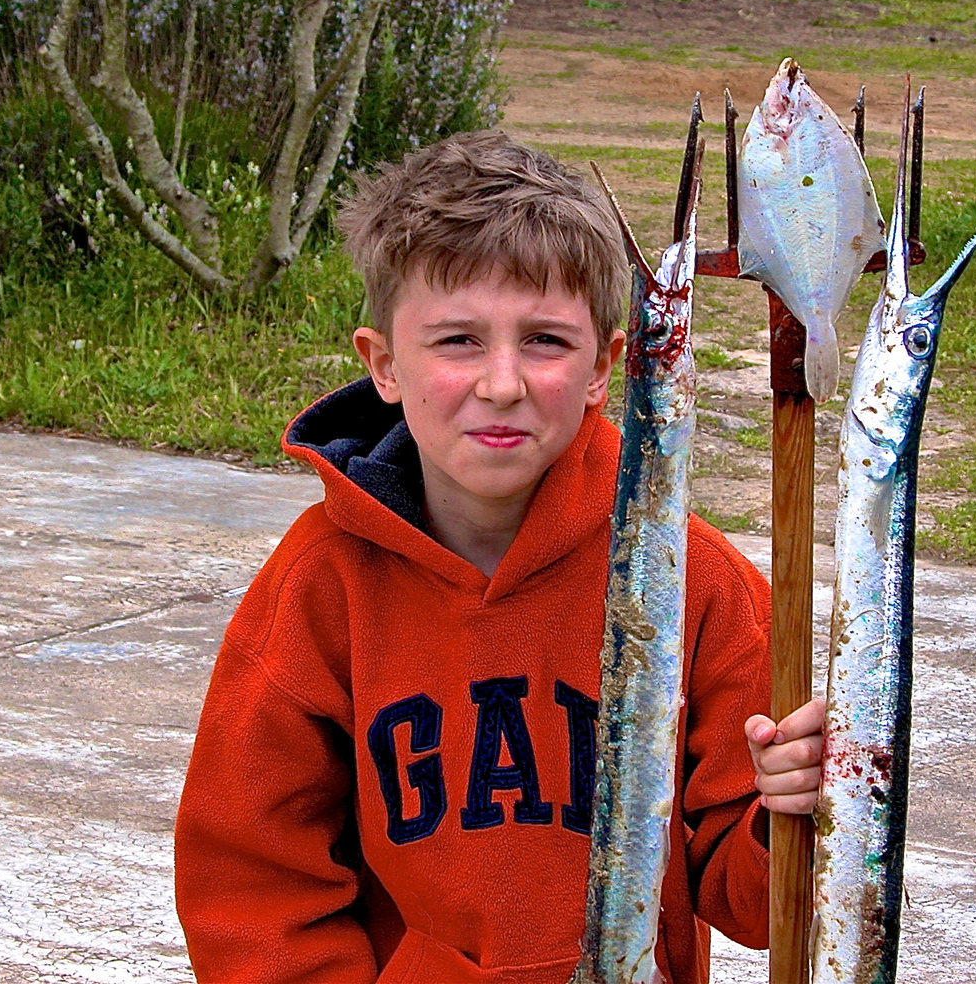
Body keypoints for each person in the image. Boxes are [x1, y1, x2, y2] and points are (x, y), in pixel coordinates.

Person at [173, 131, 825, 983]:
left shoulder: (693, 582)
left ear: (606, 366)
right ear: (384, 364)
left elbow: (752, 901)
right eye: (457, 341)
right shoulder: (320, 587)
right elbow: (251, 885)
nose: (503, 382)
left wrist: (797, 812)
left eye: (547, 341)